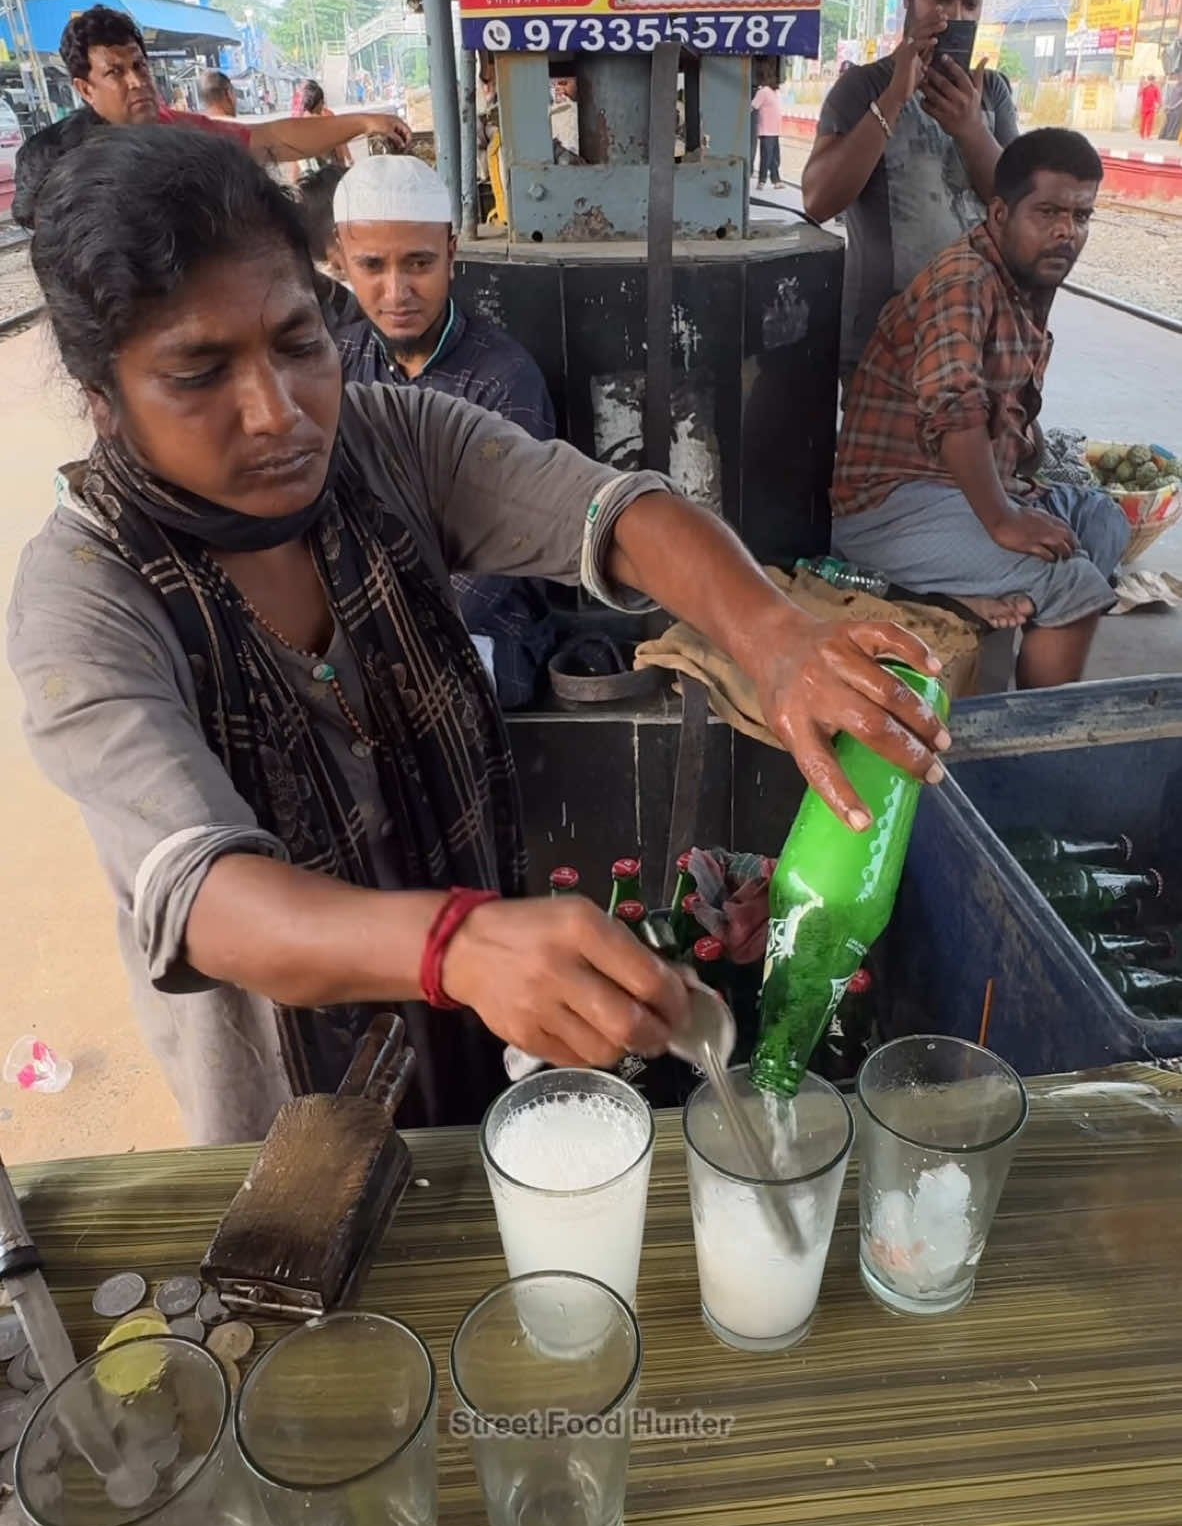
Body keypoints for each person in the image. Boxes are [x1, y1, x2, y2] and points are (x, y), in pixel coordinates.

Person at [8, 126, 949, 1147]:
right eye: (198, 374)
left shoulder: (389, 438)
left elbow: (617, 512)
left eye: (296, 343)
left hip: (477, 1024)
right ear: (104, 402)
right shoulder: (85, 595)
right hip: (292, 1112)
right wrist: (456, 942)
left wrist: (773, 637)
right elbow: (204, 895)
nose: (277, 412)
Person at [831, 129, 1129, 691]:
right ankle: (1038, 750)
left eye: (1082, 217)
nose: (1067, 231)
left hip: (966, 489)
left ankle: (997, 591)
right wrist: (1004, 521)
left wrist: (1025, 468)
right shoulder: (962, 281)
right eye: (1047, 212)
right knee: (1074, 584)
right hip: (893, 507)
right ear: (999, 213)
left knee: (1102, 520)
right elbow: (954, 410)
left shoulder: (1023, 280)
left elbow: (1005, 412)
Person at [327, 156, 560, 708]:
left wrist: (387, 644)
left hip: (484, 630)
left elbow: (503, 557)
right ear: (341, 261)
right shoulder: (334, 363)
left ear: (452, 253)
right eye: (371, 266)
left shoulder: (504, 378)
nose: (396, 291)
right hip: (363, 627)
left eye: (418, 263)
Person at [802, 0, 1020, 386]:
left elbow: (1015, 209)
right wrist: (893, 99)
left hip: (978, 332)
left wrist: (972, 130)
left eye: (970, 4)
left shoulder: (991, 92)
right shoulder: (862, 88)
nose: (955, 16)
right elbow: (818, 201)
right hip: (886, 340)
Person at [11, 7, 406, 231]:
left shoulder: (179, 131)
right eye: (116, 72)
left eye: (139, 65)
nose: (137, 82)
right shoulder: (72, 162)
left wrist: (365, 122)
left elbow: (268, 139)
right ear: (85, 89)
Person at [751, 79, 785, 189]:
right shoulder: (763, 92)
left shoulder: (774, 92)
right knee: (766, 157)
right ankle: (762, 181)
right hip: (766, 131)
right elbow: (753, 106)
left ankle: (776, 181)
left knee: (775, 157)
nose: (779, 83)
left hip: (775, 131)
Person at [1138, 74, 1162, 139]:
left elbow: (1158, 97)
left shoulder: (1155, 88)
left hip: (1151, 107)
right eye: (1150, 80)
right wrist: (1145, 87)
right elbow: (1139, 94)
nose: (1151, 82)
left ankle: (1148, 135)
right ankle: (1142, 135)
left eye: (1152, 80)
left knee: (1150, 122)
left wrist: (1159, 105)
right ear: (1148, 80)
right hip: (1144, 107)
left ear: (1154, 80)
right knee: (1143, 121)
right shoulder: (1145, 87)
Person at [1162, 72, 1182, 142]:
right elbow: (1171, 96)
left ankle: (1173, 136)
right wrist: (1168, 105)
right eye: (1179, 78)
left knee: (1176, 121)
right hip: (1171, 105)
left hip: (1178, 107)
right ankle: (1166, 135)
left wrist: (1174, 106)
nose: (1179, 79)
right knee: (1169, 120)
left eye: (1180, 78)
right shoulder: (1176, 85)